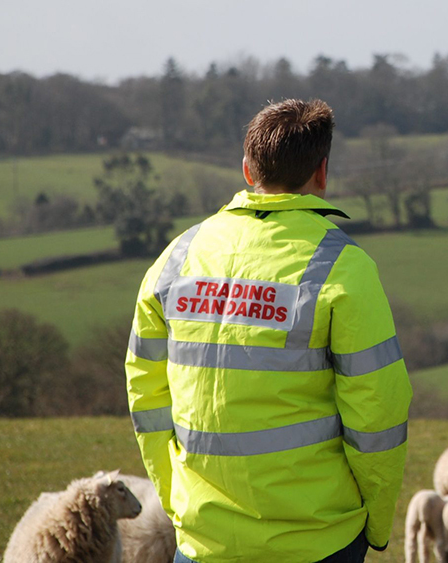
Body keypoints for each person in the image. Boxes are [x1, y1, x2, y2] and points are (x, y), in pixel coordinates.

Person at [125, 99, 412, 563]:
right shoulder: (345, 267)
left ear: (246, 169)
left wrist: (179, 505)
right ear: (322, 172)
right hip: (317, 541)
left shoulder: (177, 257)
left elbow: (147, 399)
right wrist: (375, 524)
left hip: (201, 541)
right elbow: (377, 414)